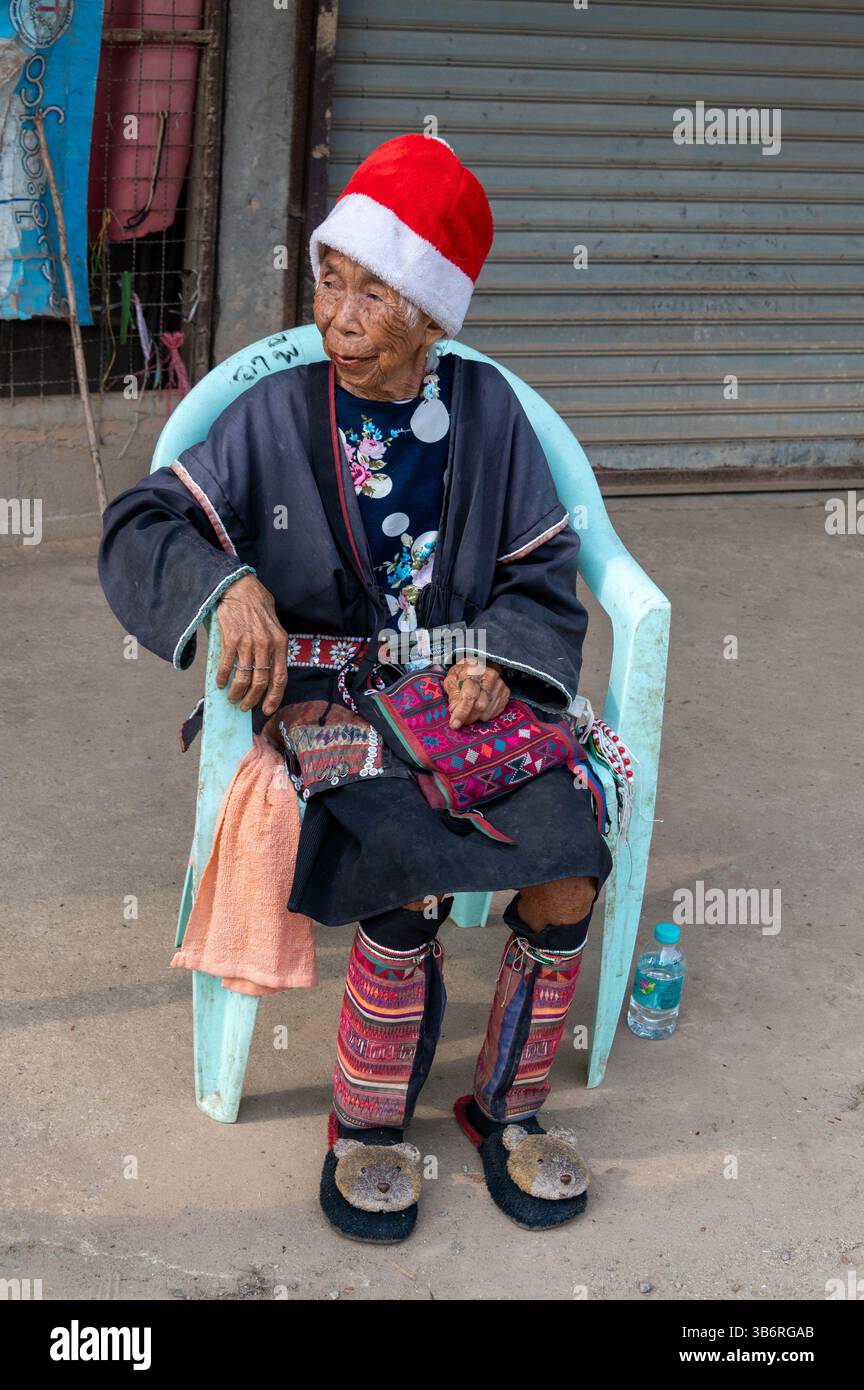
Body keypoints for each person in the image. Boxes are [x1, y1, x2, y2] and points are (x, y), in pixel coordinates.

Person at [98, 133, 613, 1242]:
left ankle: (506, 1107)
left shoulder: (487, 418)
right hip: (337, 703)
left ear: (430, 317)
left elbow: (542, 573)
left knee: (571, 859)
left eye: (374, 293)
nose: (338, 314)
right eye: (330, 279)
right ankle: (370, 1126)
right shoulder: (278, 414)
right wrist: (229, 581)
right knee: (401, 866)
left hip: (470, 703)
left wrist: (496, 656)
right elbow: (142, 523)